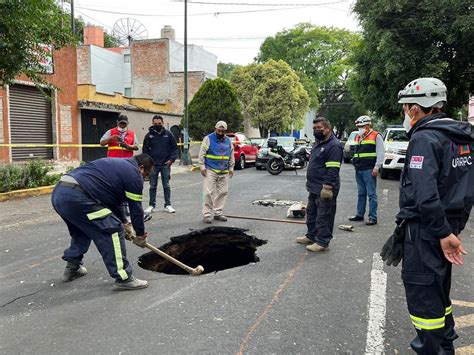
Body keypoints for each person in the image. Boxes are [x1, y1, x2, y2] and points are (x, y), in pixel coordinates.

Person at [395, 77, 472, 353]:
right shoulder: (461, 137)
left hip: (427, 232)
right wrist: (451, 231)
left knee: (424, 303)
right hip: (447, 229)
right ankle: (446, 346)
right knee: (439, 294)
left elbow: (425, 195)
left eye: (407, 108)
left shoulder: (425, 138)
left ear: (416, 108)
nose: (405, 114)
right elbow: (466, 189)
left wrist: (440, 233)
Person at [51, 154, 154, 291]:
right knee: (113, 229)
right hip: (79, 196)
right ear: (141, 168)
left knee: (83, 230)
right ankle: (123, 278)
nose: (144, 178)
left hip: (60, 194)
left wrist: (125, 223)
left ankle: (72, 268)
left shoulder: (118, 165)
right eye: (146, 174)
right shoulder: (134, 174)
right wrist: (140, 236)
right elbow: (136, 209)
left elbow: (113, 203)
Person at [296, 117, 343, 251]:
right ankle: (311, 235)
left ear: (328, 128)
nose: (316, 131)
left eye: (319, 128)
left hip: (325, 187)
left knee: (324, 216)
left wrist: (328, 187)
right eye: (314, 128)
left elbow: (333, 169)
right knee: (312, 213)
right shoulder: (319, 142)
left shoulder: (333, 145)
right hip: (314, 187)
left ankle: (322, 242)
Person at [348, 115, 384, 225]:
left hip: (369, 169)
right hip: (359, 168)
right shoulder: (358, 137)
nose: (360, 128)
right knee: (361, 193)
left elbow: (381, 153)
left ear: (368, 125)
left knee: (371, 194)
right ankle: (360, 214)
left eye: (362, 126)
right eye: (359, 126)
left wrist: (377, 167)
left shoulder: (376, 136)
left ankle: (373, 217)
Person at [198, 120, 235, 223]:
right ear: (215, 129)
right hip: (211, 170)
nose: (220, 133)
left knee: (223, 192)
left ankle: (218, 213)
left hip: (224, 171)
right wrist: (202, 166)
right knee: (208, 193)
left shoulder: (228, 141)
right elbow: (202, 153)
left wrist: (231, 168)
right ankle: (207, 214)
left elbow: (231, 154)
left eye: (223, 132)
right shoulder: (208, 139)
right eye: (219, 131)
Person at [142, 115, 179, 214]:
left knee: (166, 185)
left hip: (165, 164)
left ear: (162, 123)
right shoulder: (148, 136)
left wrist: (171, 160)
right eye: (155, 124)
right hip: (153, 165)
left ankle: (168, 205)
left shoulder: (169, 134)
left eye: (159, 124)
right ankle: (151, 205)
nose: (157, 125)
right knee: (152, 185)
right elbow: (145, 151)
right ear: (152, 123)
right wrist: (148, 164)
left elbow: (175, 148)